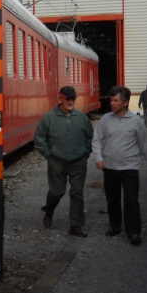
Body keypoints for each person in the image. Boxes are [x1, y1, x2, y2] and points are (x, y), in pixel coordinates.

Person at [93, 86, 147, 245]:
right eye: (111, 100)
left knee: (131, 201)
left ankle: (133, 232)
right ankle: (115, 225)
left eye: (116, 100)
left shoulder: (136, 122)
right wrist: (99, 157)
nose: (112, 103)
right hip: (110, 167)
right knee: (112, 200)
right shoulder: (105, 120)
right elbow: (97, 140)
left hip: (129, 167)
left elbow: (144, 143)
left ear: (126, 102)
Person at [34, 86, 94, 237]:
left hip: (78, 161)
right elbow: (39, 139)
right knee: (57, 192)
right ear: (59, 98)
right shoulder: (48, 118)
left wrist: (86, 152)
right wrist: (49, 155)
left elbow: (91, 137)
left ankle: (75, 225)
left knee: (77, 192)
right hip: (56, 161)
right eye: (67, 98)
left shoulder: (82, 118)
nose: (71, 101)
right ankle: (49, 209)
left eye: (73, 98)